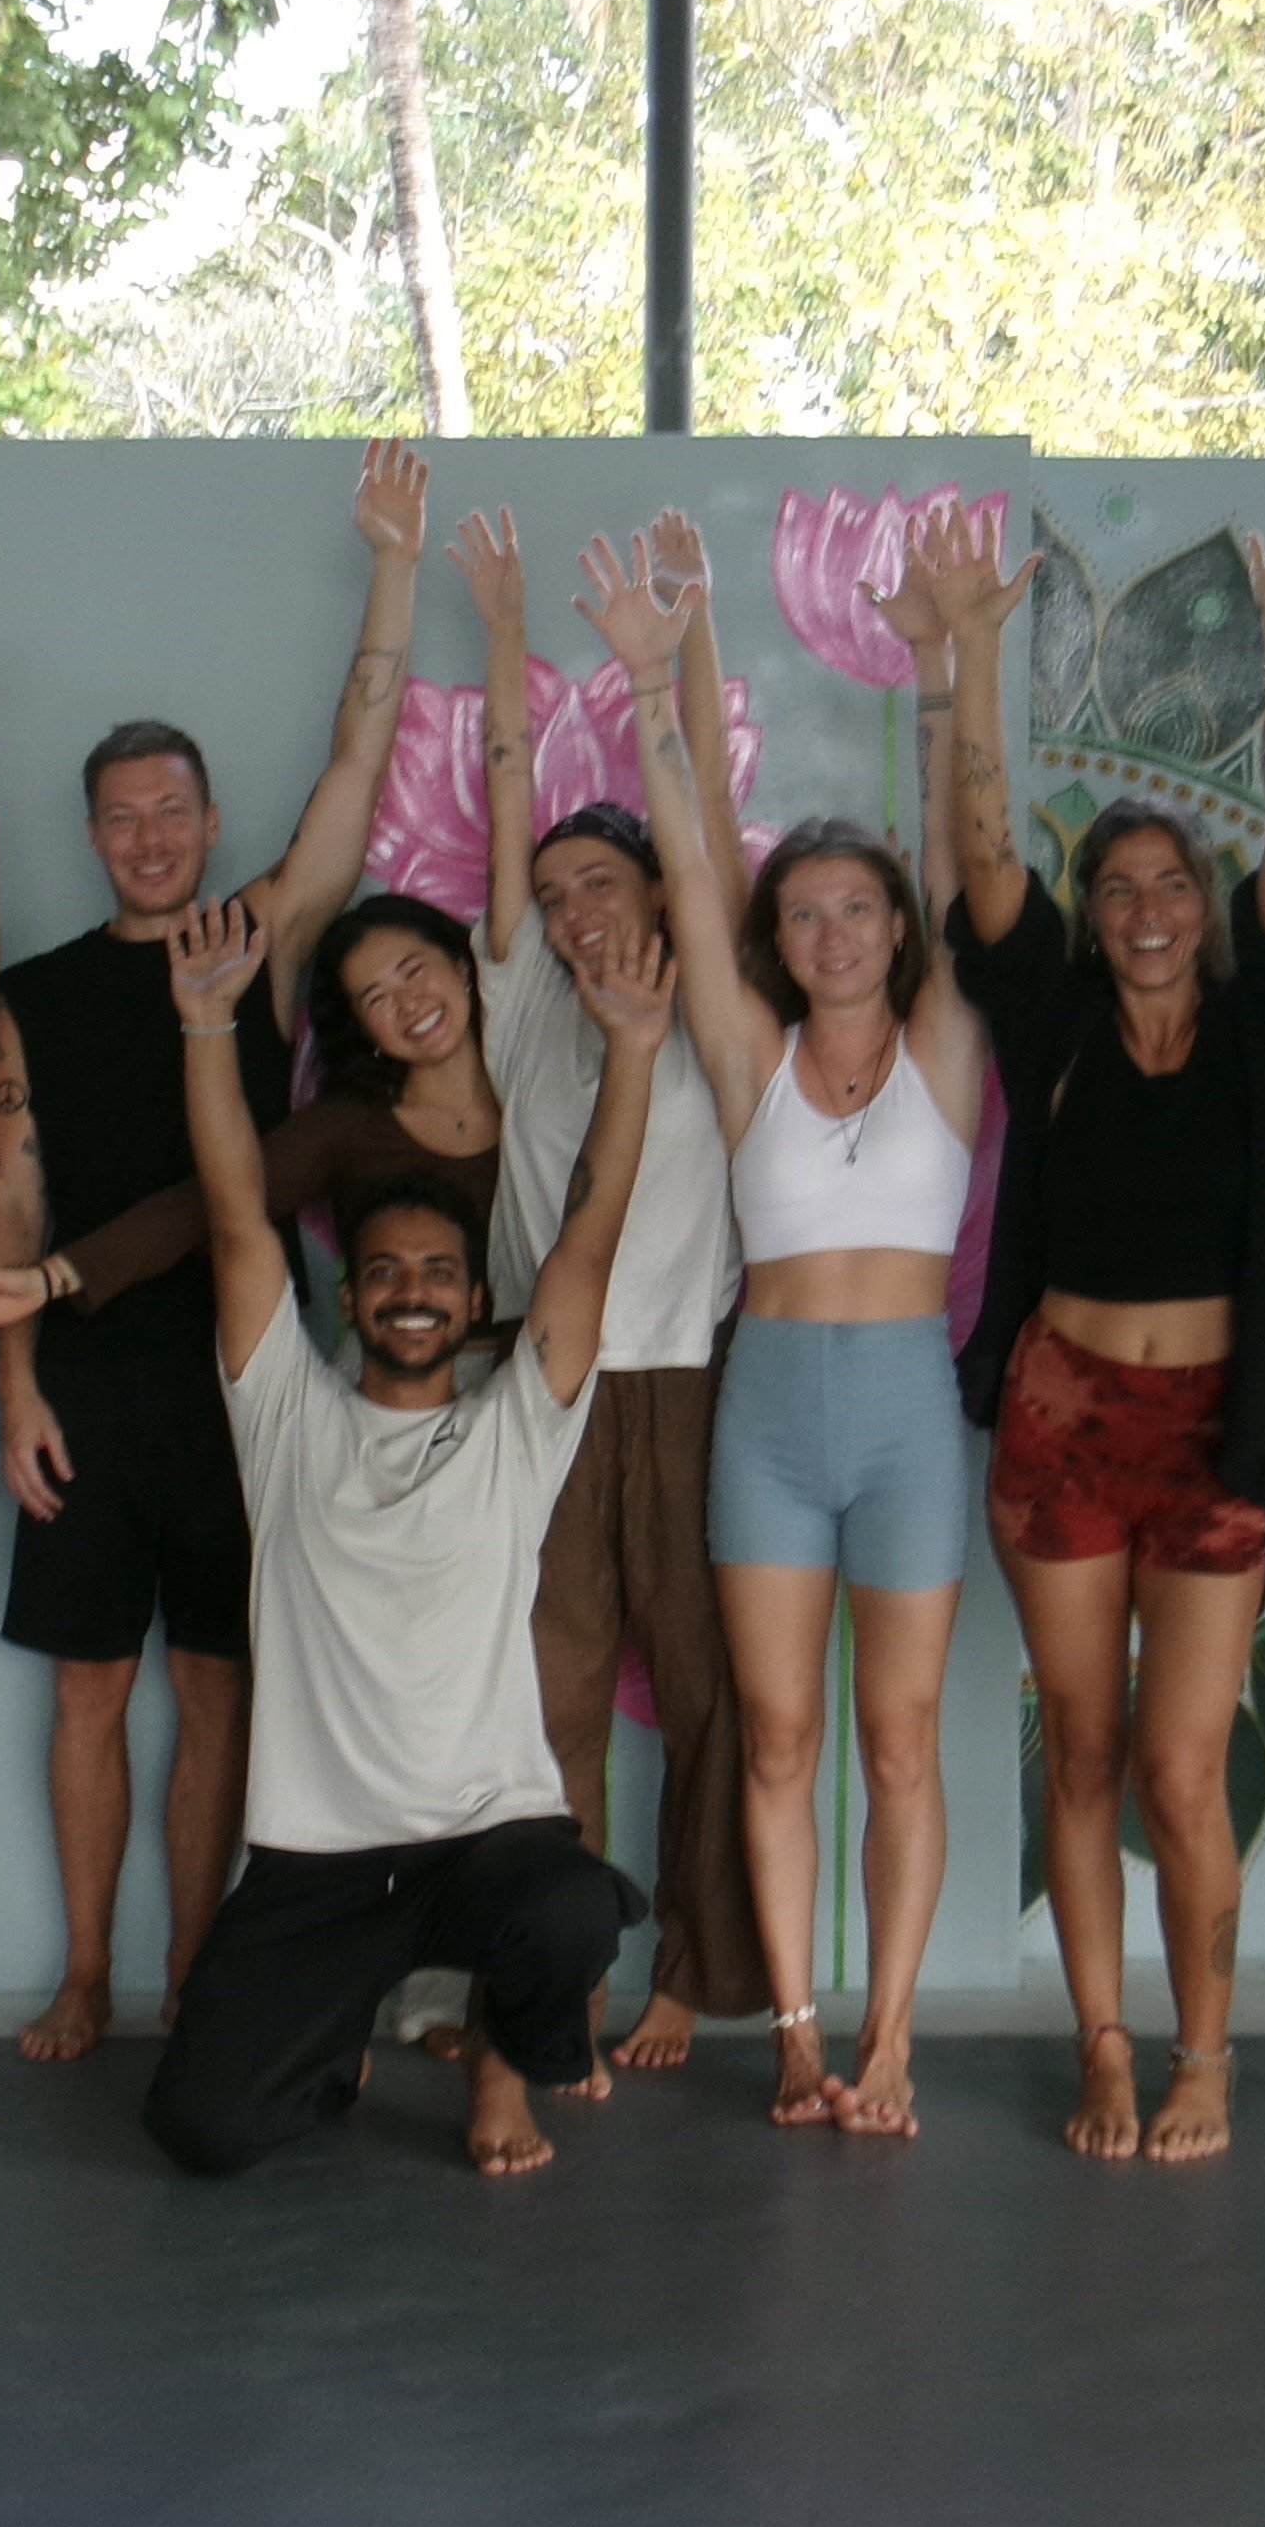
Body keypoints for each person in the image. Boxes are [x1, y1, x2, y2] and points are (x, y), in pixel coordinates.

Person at [0, 438, 430, 2061]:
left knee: (224, 1689)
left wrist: (393, 566)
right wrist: (16, 1386)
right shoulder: (35, 991)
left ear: (210, 818)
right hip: (87, 1377)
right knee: (88, 1688)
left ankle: (189, 1976)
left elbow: (357, 765)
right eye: (124, 817)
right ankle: (85, 1974)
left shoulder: (258, 939)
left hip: (247, 1376)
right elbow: (10, 1201)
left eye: (173, 808)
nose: (152, 834)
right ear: (94, 835)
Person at [940, 489, 1265, 2165]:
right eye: (1114, 886)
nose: (1144, 906)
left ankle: (1205, 2058)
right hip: (1064, 1424)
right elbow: (983, 860)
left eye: (1168, 879)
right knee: (1085, 1752)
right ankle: (1103, 2050)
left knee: (1184, 1771)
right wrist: (975, 658)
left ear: (1202, 896)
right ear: (1092, 909)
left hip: (1216, 1433)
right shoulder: (1048, 1018)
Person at [139, 897, 674, 2181]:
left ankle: (504, 2070)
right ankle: (329, 2049)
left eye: (437, 1273)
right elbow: (235, 1220)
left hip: (485, 1842)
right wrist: (205, 1026)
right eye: (383, 1273)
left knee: (568, 1910)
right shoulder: (287, 1420)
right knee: (201, 2131)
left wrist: (635, 1051)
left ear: (474, 1298)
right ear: (351, 1297)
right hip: (317, 1862)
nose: (412, 1292)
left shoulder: (513, 1434)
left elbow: (589, 1239)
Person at [587, 511, 986, 2139]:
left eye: (858, 910)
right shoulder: (748, 1051)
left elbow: (960, 852)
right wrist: (649, 685)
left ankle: (890, 2043)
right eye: (805, 913)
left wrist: (947, 670)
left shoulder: (946, 1043)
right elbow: (693, 871)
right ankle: (802, 2041)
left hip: (902, 1412)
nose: (831, 932)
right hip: (767, 1411)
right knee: (774, 1736)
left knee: (899, 1742)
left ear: (897, 929)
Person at [452, 503, 772, 2075]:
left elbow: (703, 804)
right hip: (546, 1386)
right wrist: (508, 627)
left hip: (691, 1383)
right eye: (556, 890)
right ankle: (554, 1984)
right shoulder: (522, 1001)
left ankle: (690, 1981)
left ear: (657, 896)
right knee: (553, 1691)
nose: (579, 909)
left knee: (709, 1695)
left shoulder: (716, 1008)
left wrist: (687, 631)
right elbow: (513, 781)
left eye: (604, 883)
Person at [0, 891, 501, 1354]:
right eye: (376, 998)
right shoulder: (347, 1126)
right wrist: (50, 1278)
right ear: (363, 1029)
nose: (409, 1003)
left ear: (460, 964)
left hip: (534, 1390)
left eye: (413, 971)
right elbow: (206, 1205)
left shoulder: (535, 1094)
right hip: (392, 1400)